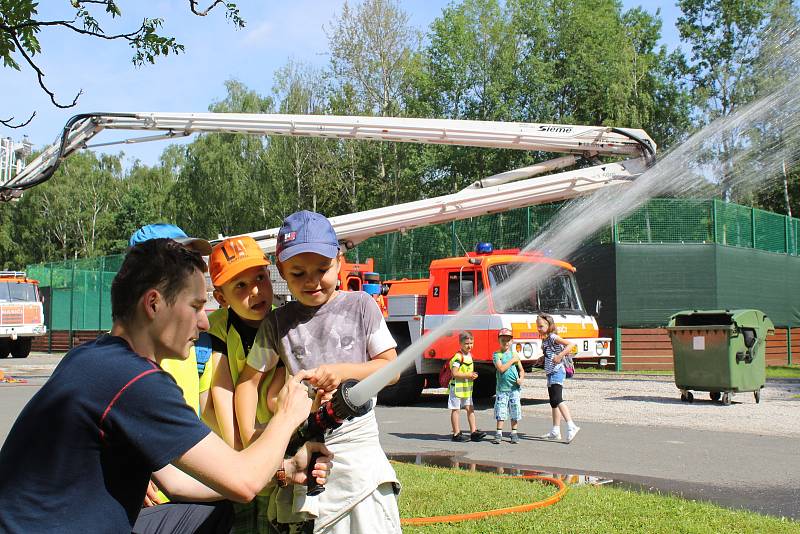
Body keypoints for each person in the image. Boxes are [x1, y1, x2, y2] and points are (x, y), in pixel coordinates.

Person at [0, 238, 331, 533]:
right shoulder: (134, 381)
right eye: (196, 307)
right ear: (154, 303)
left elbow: (177, 482)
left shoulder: (92, 356)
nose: (204, 323)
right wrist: (287, 416)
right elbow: (243, 482)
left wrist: (284, 467)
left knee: (212, 511)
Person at [242, 210, 402, 534]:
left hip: (358, 450)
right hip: (305, 447)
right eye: (298, 273)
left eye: (322, 269)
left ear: (340, 262)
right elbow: (249, 382)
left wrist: (342, 372)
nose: (312, 281)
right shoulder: (277, 324)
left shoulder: (361, 306)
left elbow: (391, 368)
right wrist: (255, 440)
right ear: (281, 271)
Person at [205, 235, 284, 450]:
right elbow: (221, 390)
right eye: (241, 285)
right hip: (236, 438)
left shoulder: (285, 323)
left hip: (278, 432)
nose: (256, 291)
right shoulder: (216, 329)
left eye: (260, 277)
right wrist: (238, 449)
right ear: (221, 298)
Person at [534, 313, 580, 442]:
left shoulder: (553, 337)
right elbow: (550, 353)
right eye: (537, 326)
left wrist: (560, 356)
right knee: (553, 402)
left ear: (549, 325)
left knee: (557, 399)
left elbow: (570, 345)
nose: (538, 328)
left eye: (541, 326)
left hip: (557, 371)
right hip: (550, 372)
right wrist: (542, 358)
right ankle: (555, 430)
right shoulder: (546, 339)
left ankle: (572, 426)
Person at [448, 331, 486, 442]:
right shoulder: (458, 357)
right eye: (466, 343)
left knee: (470, 408)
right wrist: (468, 375)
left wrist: (472, 375)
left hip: (466, 389)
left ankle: (473, 432)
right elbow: (454, 373)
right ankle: (456, 434)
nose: (469, 346)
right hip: (457, 388)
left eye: (471, 343)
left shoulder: (468, 355)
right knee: (456, 410)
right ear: (460, 344)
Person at [492, 328, 525, 444]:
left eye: (508, 340)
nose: (506, 342)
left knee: (515, 410)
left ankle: (514, 433)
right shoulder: (497, 355)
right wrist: (512, 360)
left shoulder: (514, 354)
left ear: (512, 341)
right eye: (503, 340)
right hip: (502, 389)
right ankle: (498, 433)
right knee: (501, 410)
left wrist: (521, 379)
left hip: (514, 389)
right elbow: (501, 369)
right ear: (499, 340)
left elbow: (521, 370)